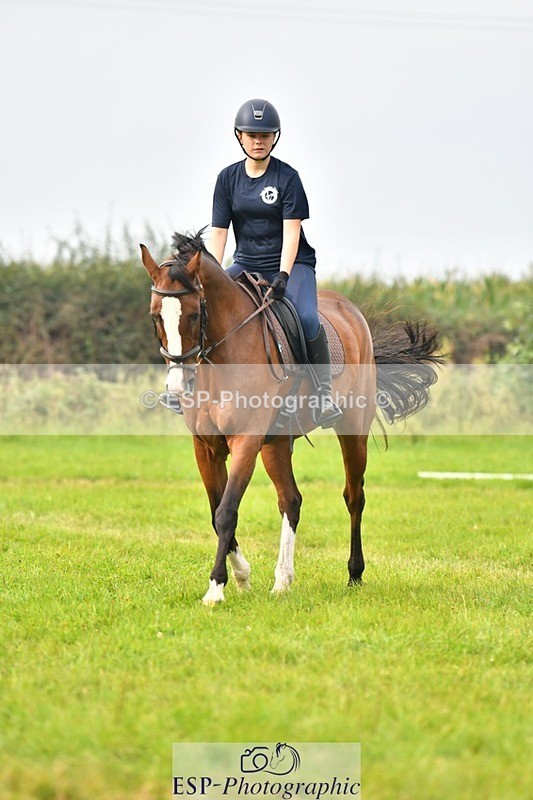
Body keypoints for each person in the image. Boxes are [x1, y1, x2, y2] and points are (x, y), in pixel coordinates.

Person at [208, 98, 342, 428]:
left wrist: (283, 274)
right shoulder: (226, 179)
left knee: (307, 318)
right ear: (239, 136)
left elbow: (292, 232)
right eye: (252, 135)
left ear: (274, 138)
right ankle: (190, 388)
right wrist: (211, 274)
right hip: (245, 264)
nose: (259, 141)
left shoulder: (287, 178)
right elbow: (220, 233)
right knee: (206, 311)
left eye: (265, 135)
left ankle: (323, 394)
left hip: (292, 266)